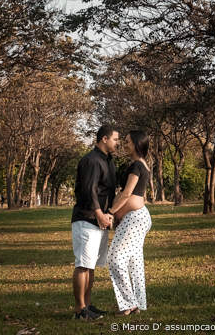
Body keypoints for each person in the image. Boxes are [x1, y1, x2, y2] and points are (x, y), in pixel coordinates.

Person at [71, 124, 119, 321]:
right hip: (87, 219)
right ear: (104, 139)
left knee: (90, 265)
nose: (117, 143)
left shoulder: (109, 161)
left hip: (101, 220)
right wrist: (100, 214)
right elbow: (89, 191)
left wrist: (109, 215)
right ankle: (79, 310)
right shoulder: (91, 160)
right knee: (83, 264)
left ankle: (88, 305)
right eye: (115, 139)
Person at [107, 129, 152, 315]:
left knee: (114, 258)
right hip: (137, 217)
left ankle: (129, 304)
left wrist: (111, 212)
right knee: (134, 262)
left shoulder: (137, 165)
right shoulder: (142, 164)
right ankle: (138, 303)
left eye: (127, 142)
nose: (124, 145)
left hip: (134, 219)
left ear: (137, 143)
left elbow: (127, 194)